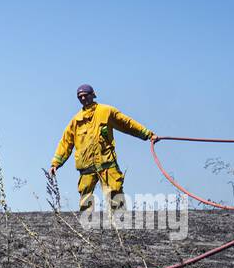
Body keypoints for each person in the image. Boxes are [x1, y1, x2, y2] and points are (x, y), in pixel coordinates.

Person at [50, 84, 155, 213]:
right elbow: (65, 143)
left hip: (107, 164)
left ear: (93, 95)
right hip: (86, 167)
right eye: (80, 97)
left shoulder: (106, 112)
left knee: (115, 196)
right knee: (85, 200)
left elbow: (127, 123)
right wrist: (56, 163)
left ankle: (120, 226)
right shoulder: (76, 121)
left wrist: (148, 134)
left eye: (85, 95)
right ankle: (88, 226)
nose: (83, 98)